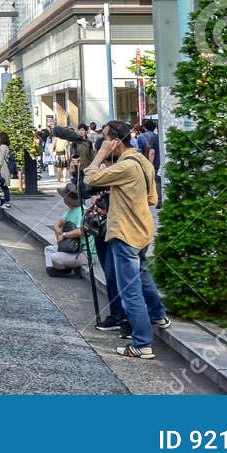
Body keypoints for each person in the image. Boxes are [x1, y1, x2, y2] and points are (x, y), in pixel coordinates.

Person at [84, 119, 168, 359]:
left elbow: (90, 178)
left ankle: (142, 344)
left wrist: (100, 155)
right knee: (142, 275)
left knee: (130, 290)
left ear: (116, 142)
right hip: (143, 230)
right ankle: (158, 314)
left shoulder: (124, 167)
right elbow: (152, 199)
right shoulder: (142, 161)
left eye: (106, 138)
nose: (103, 141)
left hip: (125, 233)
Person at [46, 188, 87, 275]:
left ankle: (63, 269)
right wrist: (57, 228)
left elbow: (81, 231)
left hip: (83, 252)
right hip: (71, 247)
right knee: (48, 249)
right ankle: (54, 269)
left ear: (67, 200)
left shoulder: (83, 211)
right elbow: (60, 222)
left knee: (54, 256)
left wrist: (64, 235)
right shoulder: (71, 210)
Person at [0, 132, 15, 209]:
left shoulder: (3, 147)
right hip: (2, 166)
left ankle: (7, 202)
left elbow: (1, 158)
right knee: (2, 185)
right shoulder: (2, 146)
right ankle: (5, 201)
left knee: (3, 185)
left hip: (3, 168)